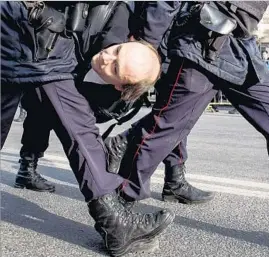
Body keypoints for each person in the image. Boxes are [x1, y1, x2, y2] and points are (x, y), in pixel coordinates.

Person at [105, 2, 269, 256]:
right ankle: (119, 214)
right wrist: (148, 46)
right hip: (200, 40)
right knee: (165, 129)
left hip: (237, 44)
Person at [1, 1, 174, 256]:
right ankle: (115, 223)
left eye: (115, 67)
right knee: (78, 124)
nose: (106, 58)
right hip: (28, 21)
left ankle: (115, 221)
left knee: (74, 121)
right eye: (115, 52)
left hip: (34, 24)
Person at [14, 1, 214, 205]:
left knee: (174, 113)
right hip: (119, 42)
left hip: (151, 51)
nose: (108, 58)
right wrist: (142, 47)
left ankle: (169, 177)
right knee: (44, 107)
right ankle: (29, 166)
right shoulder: (117, 34)